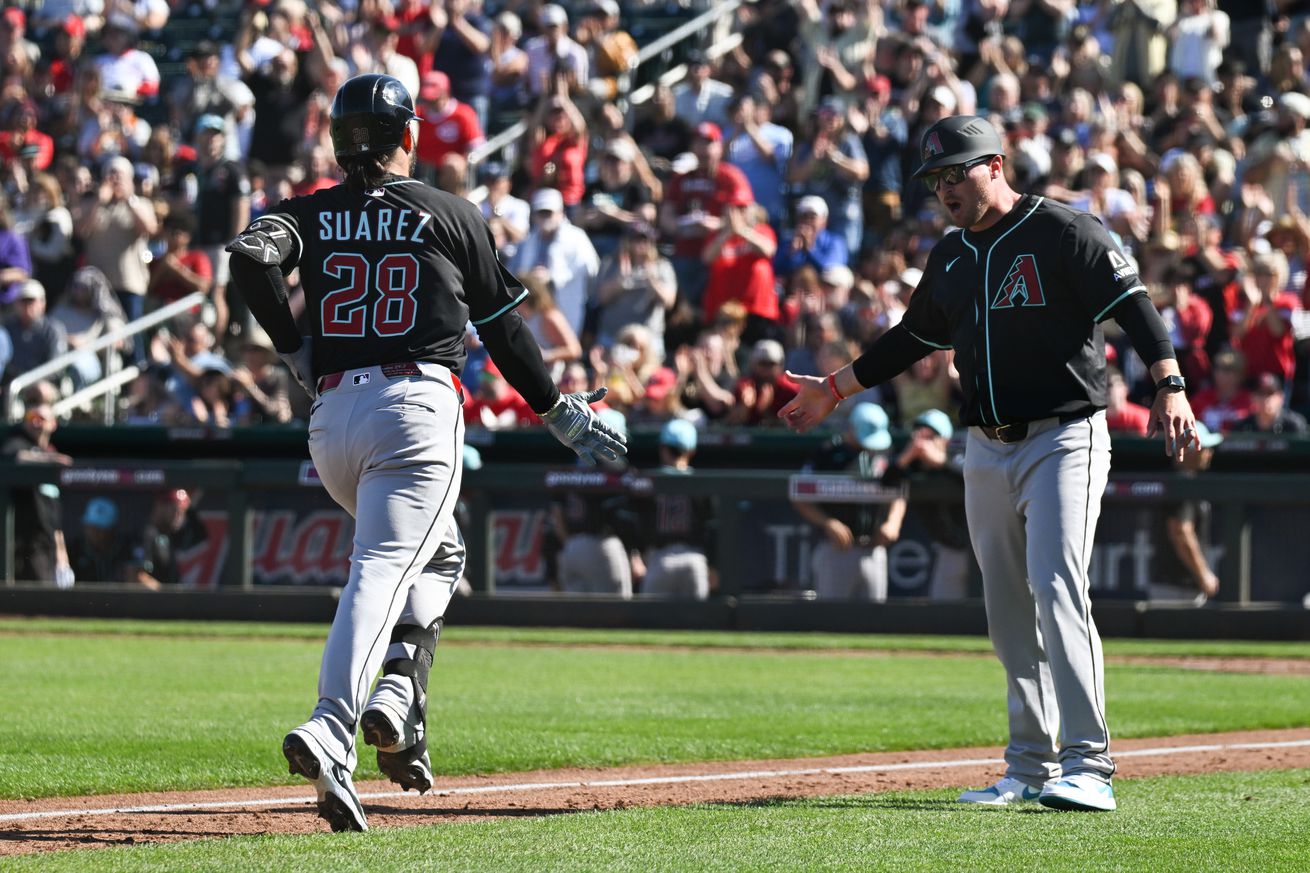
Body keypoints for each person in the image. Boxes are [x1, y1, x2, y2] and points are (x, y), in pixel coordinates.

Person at [225, 74, 625, 833]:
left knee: (438, 556)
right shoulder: (450, 213)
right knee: (382, 565)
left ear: (341, 140)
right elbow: (505, 330)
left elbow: (250, 256)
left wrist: (291, 347)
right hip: (414, 408)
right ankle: (333, 725)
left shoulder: (311, 211)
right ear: (410, 134)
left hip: (332, 417)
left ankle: (399, 693)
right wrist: (555, 409)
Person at [780, 115, 1199, 812]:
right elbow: (908, 339)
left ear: (996, 165)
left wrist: (1170, 382)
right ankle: (1029, 765)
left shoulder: (1063, 229)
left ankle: (1089, 763)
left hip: (1065, 433)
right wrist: (834, 388)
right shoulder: (949, 255)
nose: (945, 186)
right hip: (984, 442)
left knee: (1057, 584)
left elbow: (1133, 303)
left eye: (957, 171)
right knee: (1007, 610)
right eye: (936, 177)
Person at [1, 403, 73, 587]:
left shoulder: (50, 452)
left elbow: (54, 512)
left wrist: (61, 551)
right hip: (24, 541)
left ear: (53, 423)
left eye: (41, 418)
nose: (35, 422)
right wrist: (50, 459)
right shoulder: (18, 442)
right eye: (31, 418)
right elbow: (13, 456)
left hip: (47, 540)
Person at [640, 419, 712, 600]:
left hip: (660, 558)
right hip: (694, 559)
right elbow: (712, 527)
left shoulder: (648, 482)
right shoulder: (702, 485)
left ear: (663, 448)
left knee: (650, 625)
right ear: (691, 451)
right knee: (697, 625)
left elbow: (638, 522)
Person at [1159, 421, 1223, 603]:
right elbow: (1180, 530)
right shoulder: (1180, 482)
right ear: (1189, 449)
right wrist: (1203, 574)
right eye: (1205, 447)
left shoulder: (1186, 481)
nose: (1209, 453)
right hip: (1175, 588)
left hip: (1179, 586)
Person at [133, 488, 209, 589]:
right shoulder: (147, 534)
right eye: (174, 508)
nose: (178, 515)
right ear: (158, 506)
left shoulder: (171, 537)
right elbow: (137, 576)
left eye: (181, 512)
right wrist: (167, 596)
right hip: (153, 601)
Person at [67, 497, 135, 585]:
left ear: (112, 530)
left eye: (99, 529)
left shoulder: (126, 550)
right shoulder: (73, 550)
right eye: (90, 527)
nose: (93, 533)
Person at [1230, 373, 1309, 434]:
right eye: (1261, 394)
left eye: (1270, 393)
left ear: (1281, 398)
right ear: (1252, 398)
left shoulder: (1293, 425)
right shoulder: (1242, 427)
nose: (1266, 399)